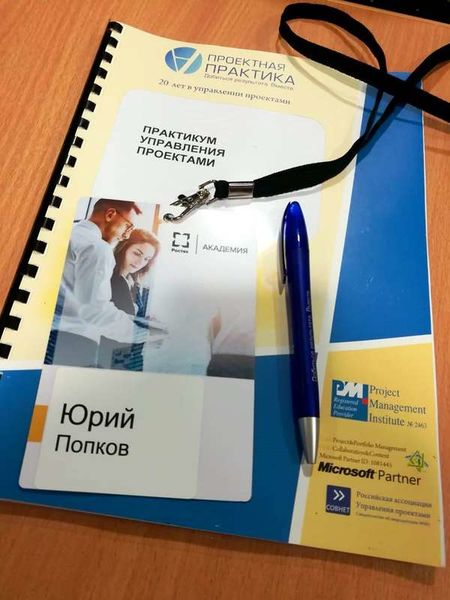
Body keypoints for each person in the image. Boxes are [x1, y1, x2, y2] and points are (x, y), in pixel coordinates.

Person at [45, 198, 147, 367]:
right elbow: (95, 311)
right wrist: (143, 333)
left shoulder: (66, 231)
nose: (126, 236)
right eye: (128, 226)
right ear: (110, 214)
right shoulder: (98, 249)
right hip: (72, 342)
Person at [97, 229, 160, 370]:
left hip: (128, 356)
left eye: (147, 259)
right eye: (137, 253)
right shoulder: (109, 279)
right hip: (110, 357)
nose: (140, 262)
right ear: (123, 248)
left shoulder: (134, 283)